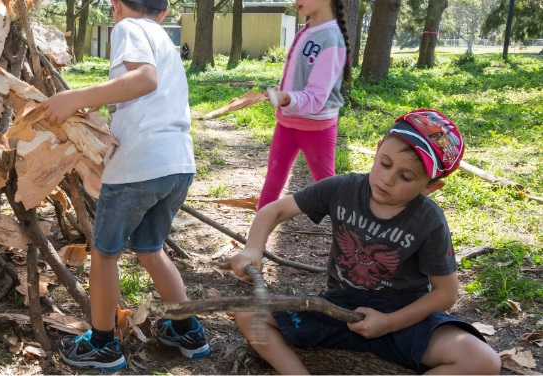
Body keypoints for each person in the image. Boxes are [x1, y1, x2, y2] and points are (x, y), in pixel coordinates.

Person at [230, 109, 501, 374]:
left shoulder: (428, 219)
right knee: (246, 312)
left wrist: (389, 323)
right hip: (337, 309)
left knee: (483, 360)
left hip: (404, 317)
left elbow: (446, 293)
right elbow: (273, 211)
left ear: (430, 186)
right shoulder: (341, 188)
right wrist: (253, 248)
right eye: (385, 163)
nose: (388, 178)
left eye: (406, 177)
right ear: (378, 148)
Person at [40, 0, 207, 371]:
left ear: (116, 6)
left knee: (104, 253)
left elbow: (144, 79)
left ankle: (102, 344)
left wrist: (77, 97)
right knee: (150, 247)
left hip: (139, 166)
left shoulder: (129, 27)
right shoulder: (162, 36)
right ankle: (187, 329)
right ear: (163, 12)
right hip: (177, 163)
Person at [256, 0, 354, 210]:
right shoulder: (307, 30)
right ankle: (255, 241)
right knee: (271, 183)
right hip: (286, 123)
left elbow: (317, 98)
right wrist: (283, 95)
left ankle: (349, 236)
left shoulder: (331, 38)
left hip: (317, 128)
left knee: (328, 189)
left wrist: (287, 98)